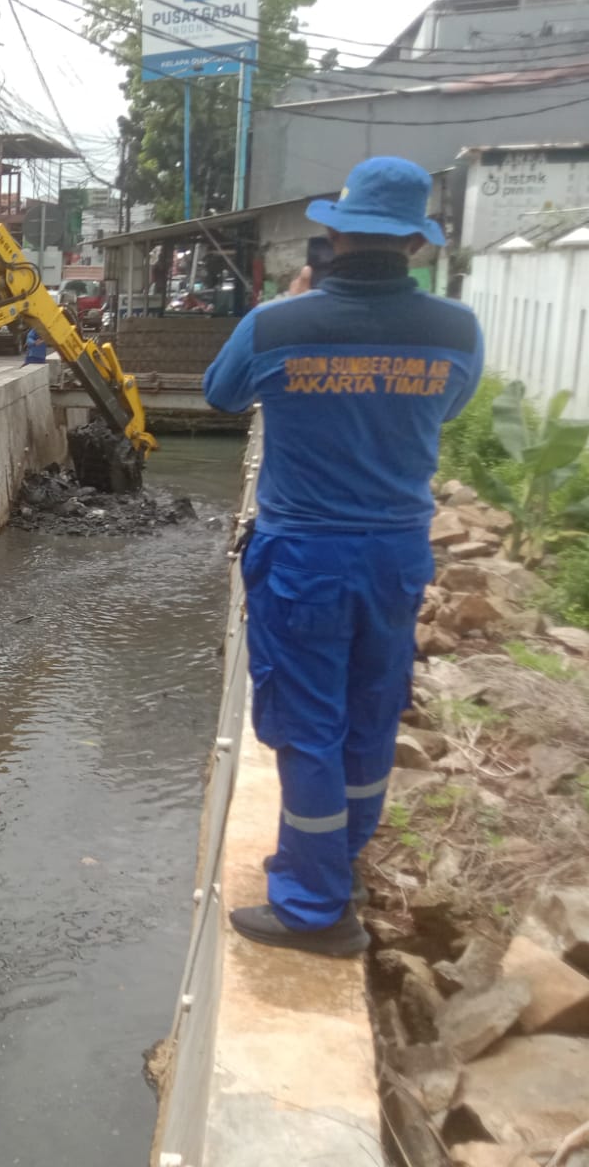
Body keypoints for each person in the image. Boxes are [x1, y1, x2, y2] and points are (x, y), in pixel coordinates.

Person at [202, 156, 484, 957]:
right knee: (369, 713)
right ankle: (341, 862)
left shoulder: (278, 325)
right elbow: (449, 406)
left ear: (334, 237)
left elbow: (222, 394)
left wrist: (293, 308)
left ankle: (312, 906)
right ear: (416, 245)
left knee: (307, 727)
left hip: (305, 557)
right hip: (397, 554)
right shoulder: (457, 330)